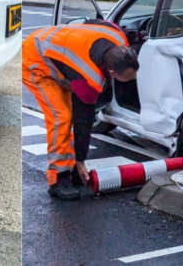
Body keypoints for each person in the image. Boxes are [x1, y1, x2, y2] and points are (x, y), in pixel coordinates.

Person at [22, 20, 139, 200]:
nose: (133, 80)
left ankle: (71, 168)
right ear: (112, 72)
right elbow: (83, 120)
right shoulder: (88, 77)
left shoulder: (118, 36)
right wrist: (81, 161)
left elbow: (96, 22)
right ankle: (58, 178)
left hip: (55, 48)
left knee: (66, 114)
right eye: (126, 79)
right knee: (62, 116)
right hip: (34, 61)